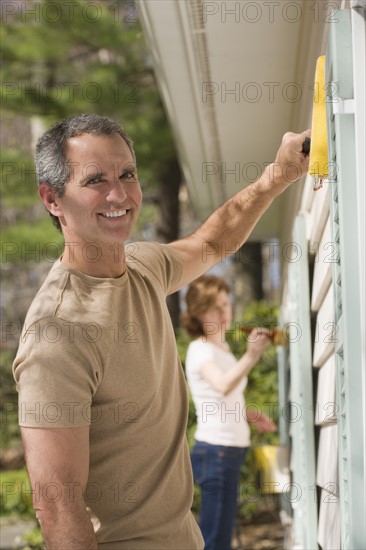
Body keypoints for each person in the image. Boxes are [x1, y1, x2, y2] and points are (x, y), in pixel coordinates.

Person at [12, 113, 310, 549]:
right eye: (95, 180)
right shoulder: (57, 334)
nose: (119, 194)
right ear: (52, 200)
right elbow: (57, 504)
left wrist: (277, 176)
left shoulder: (142, 267)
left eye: (127, 174)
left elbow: (211, 243)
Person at [183, 275, 277, 550]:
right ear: (199, 313)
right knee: (215, 537)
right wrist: (251, 356)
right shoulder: (200, 350)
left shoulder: (221, 349)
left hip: (229, 450)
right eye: (216, 307)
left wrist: (249, 414)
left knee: (221, 532)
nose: (225, 312)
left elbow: (224, 397)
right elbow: (223, 385)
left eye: (226, 304)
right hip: (216, 451)